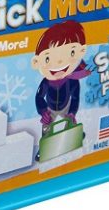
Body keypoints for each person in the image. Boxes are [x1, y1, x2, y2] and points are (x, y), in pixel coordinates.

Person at [31, 20, 90, 160]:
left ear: (81, 51)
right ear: (37, 62)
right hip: (50, 109)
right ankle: (43, 149)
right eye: (48, 59)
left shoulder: (72, 80)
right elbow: (39, 97)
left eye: (71, 52)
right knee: (46, 128)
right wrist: (43, 111)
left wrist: (72, 112)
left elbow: (75, 98)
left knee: (71, 122)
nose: (58, 62)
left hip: (66, 106)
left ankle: (77, 134)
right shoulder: (46, 82)